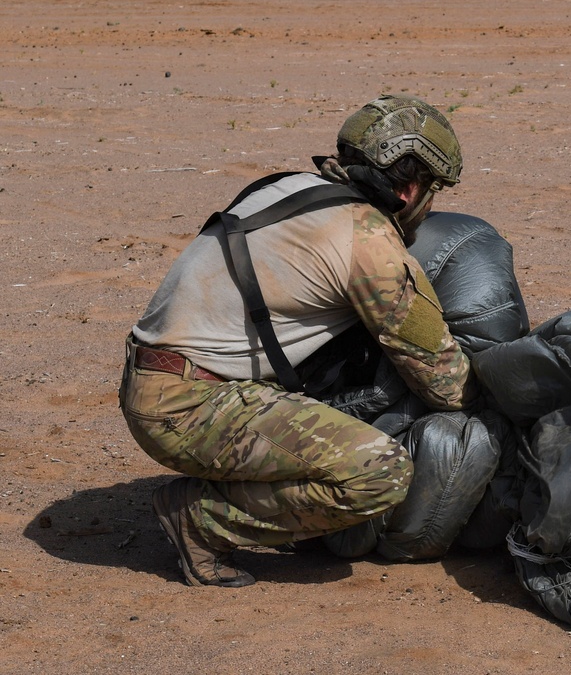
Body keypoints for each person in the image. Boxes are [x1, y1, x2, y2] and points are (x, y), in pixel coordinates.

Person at [119, 93, 477, 587]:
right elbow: (443, 382)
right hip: (189, 407)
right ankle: (199, 519)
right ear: (413, 189)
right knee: (380, 473)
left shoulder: (289, 187)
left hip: (156, 380)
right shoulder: (368, 240)